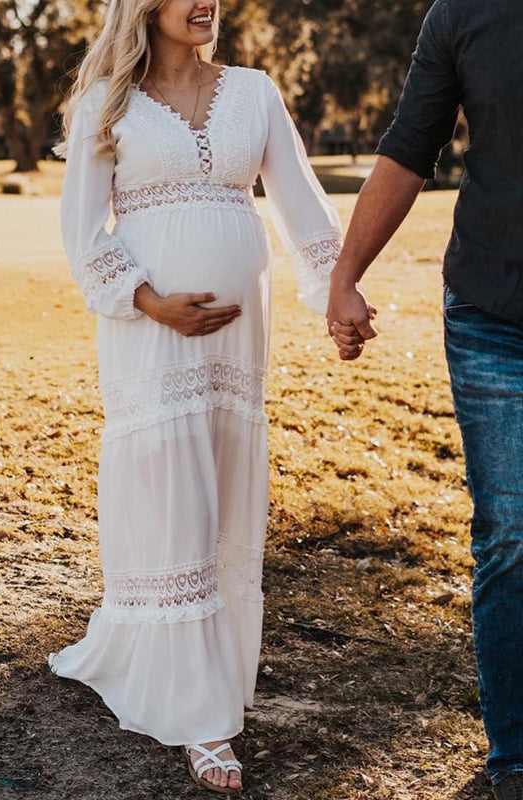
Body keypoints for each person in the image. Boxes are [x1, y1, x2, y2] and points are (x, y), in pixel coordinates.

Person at [47, 0, 343, 793]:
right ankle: (204, 720)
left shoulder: (254, 90)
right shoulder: (104, 99)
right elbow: (83, 234)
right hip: (149, 332)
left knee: (223, 502)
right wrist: (150, 303)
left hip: (240, 342)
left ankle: (205, 672)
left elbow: (300, 201)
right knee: (174, 501)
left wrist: (337, 292)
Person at [325, 1, 523, 797]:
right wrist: (345, 276)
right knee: (510, 537)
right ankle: (514, 756)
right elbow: (410, 150)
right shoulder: (463, 12)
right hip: (490, 311)